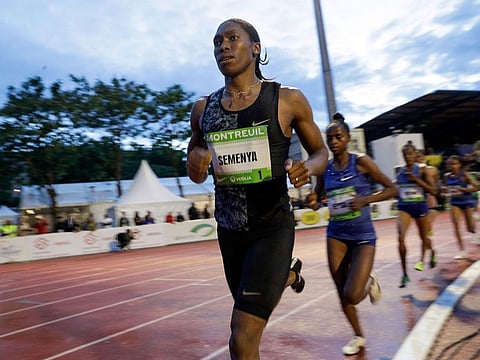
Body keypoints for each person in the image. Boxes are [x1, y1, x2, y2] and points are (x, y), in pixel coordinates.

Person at [186, 18, 328, 359]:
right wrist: (194, 163)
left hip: (272, 227)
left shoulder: (287, 99)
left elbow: (321, 152)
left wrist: (306, 168)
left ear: (255, 47)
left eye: (233, 38)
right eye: (217, 41)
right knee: (247, 321)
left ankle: (283, 268)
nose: (223, 46)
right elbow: (193, 164)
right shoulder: (203, 109)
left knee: (241, 336)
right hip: (231, 232)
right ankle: (289, 274)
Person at [307, 113, 398, 356]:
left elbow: (392, 188)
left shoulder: (361, 162)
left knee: (353, 294)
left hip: (363, 236)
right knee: (341, 292)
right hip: (336, 234)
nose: (334, 141)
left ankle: (368, 280)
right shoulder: (324, 169)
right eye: (330, 138)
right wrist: (313, 200)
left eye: (338, 137)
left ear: (348, 138)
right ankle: (358, 335)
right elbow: (318, 198)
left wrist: (366, 199)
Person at [396, 141, 437, 288]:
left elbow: (433, 191)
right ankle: (404, 274)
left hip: (420, 207)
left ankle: (431, 252)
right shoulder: (399, 171)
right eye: (405, 154)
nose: (408, 157)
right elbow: (397, 189)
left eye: (411, 154)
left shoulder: (423, 170)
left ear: (415, 155)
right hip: (404, 208)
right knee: (400, 238)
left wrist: (417, 180)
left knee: (424, 237)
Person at [441, 155, 480, 257]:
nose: (453, 166)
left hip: (467, 201)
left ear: (460, 165)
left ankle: (476, 232)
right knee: (456, 225)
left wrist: (465, 190)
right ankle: (462, 251)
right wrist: (444, 192)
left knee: (470, 228)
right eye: (451, 164)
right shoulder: (446, 176)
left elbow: (477, 187)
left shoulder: (464, 175)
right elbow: (445, 188)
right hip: (455, 202)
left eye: (455, 164)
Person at [416, 150, 440, 236]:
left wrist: (435, 189)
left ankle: (428, 232)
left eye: (421, 156)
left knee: (431, 216)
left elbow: (436, 182)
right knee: (423, 221)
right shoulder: (412, 171)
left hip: (429, 196)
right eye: (418, 156)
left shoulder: (433, 169)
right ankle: (427, 234)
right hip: (418, 197)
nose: (420, 158)